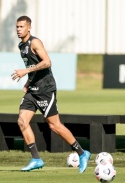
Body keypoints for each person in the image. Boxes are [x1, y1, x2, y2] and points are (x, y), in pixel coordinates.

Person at [11, 15, 91, 173]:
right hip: (33, 90)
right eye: (17, 27)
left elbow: (47, 62)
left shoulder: (35, 42)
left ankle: (82, 153)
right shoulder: (21, 46)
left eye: (21, 27)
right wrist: (28, 82)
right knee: (22, 121)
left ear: (29, 28)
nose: (19, 30)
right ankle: (36, 159)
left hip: (45, 90)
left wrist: (25, 72)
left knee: (54, 126)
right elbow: (35, 65)